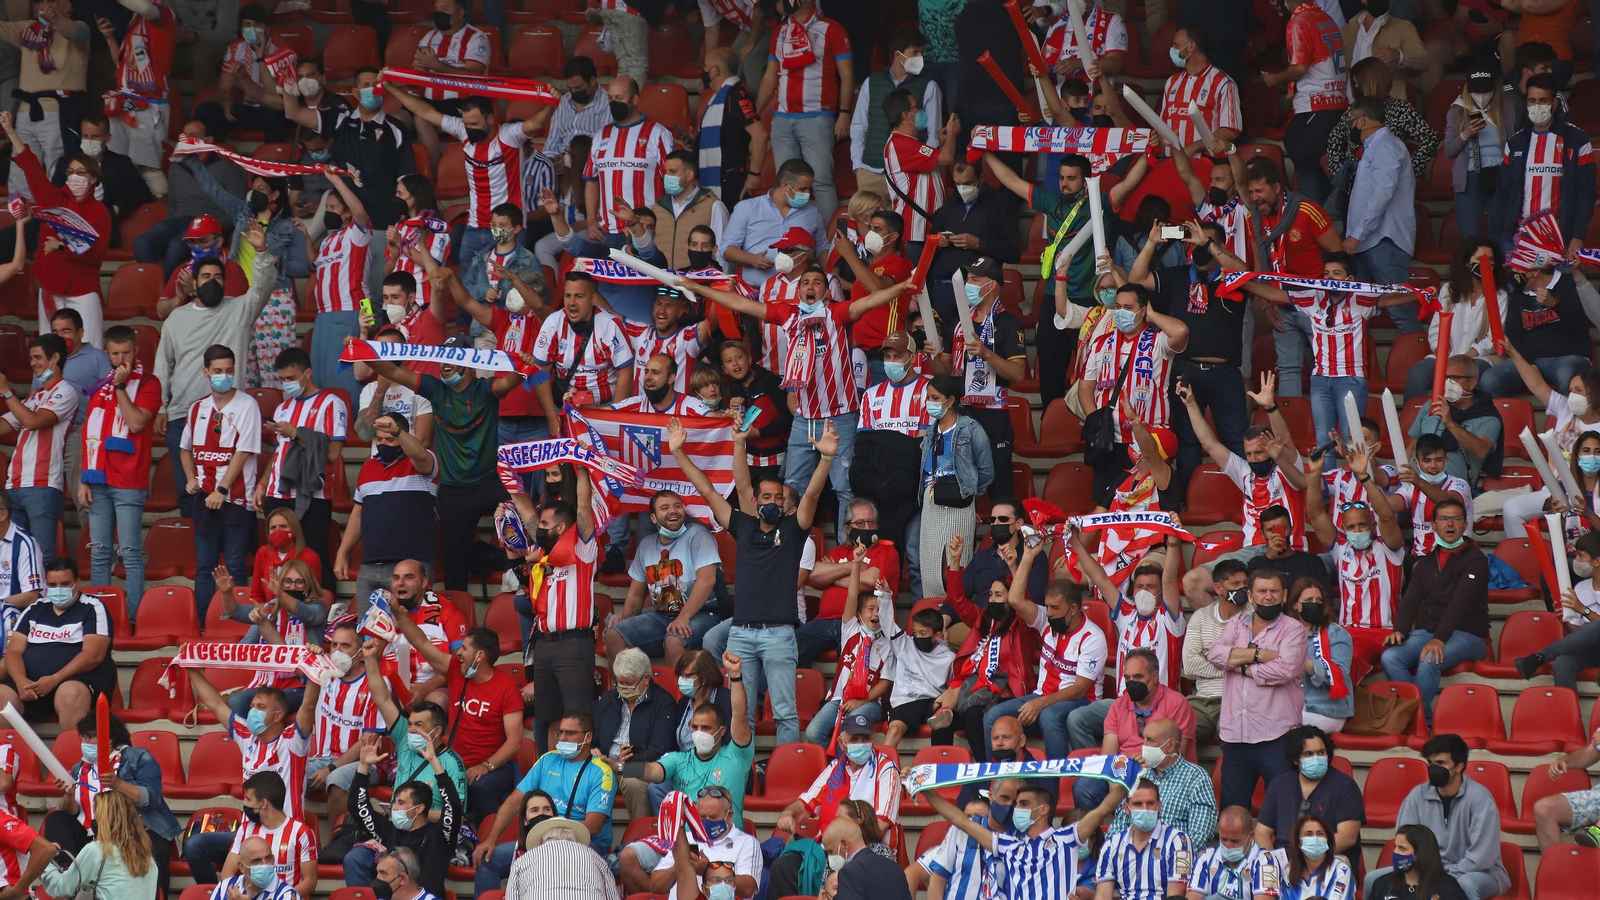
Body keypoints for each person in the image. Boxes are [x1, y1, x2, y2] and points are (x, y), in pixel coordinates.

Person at [680, 264, 916, 525]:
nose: (810, 286)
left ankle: (846, 551)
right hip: (804, 420)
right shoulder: (787, 313)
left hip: (840, 417)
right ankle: (791, 548)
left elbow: (870, 301)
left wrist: (901, 287)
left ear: (826, 291)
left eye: (817, 282)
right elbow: (741, 303)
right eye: (805, 283)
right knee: (791, 489)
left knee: (844, 488)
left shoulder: (836, 313)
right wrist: (696, 287)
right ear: (799, 290)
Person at [668, 412, 833, 745]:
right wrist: (679, 453)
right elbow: (710, 491)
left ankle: (786, 773)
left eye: (779, 498)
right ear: (756, 503)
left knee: (785, 712)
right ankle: (744, 775)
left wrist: (826, 457)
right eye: (767, 498)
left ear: (787, 504)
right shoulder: (743, 526)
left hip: (779, 634)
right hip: (740, 635)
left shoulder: (794, 529)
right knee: (740, 713)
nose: (773, 502)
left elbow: (812, 496)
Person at [359, 335, 527, 591]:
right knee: (454, 563)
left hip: (489, 482)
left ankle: (515, 575)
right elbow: (392, 370)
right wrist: (361, 351)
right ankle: (457, 616)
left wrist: (522, 365)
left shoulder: (484, 390)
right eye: (443, 358)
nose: (445, 364)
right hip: (452, 488)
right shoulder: (435, 389)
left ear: (468, 363)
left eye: (453, 357)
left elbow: (509, 382)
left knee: (520, 506)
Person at [280, 66, 418, 296]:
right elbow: (293, 113)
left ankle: (376, 331)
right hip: (346, 226)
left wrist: (404, 215)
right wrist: (286, 84)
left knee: (375, 292)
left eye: (376, 84)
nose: (372, 89)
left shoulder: (396, 128)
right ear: (354, 92)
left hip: (381, 223)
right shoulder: (339, 120)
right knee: (350, 291)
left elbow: (407, 179)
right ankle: (355, 331)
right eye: (366, 85)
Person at [982, 544, 1107, 761]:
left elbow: (1079, 689)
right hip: (1042, 697)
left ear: (1073, 609)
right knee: (993, 716)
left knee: (1049, 715)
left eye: (1055, 608)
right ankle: (994, 777)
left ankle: (1055, 783)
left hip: (1081, 703)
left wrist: (1041, 703)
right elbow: (1015, 600)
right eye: (1047, 607)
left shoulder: (1093, 637)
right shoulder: (1046, 620)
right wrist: (1028, 555)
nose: (1048, 613)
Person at [471, 712, 615, 892]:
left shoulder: (602, 772)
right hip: (539, 839)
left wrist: (554, 837)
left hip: (584, 843)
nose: (562, 738)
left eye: (570, 733)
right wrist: (491, 840)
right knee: (487, 860)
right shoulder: (547, 759)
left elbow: (593, 826)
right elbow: (514, 801)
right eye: (559, 732)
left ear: (588, 737)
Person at [43, 711, 180, 894]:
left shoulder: (137, 757)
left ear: (110, 737)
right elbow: (71, 811)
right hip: (95, 831)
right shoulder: (80, 768)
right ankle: (71, 873)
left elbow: (152, 798)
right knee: (56, 818)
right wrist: (69, 794)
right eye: (83, 737)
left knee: (153, 852)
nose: (85, 742)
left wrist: (118, 784)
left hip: (136, 830)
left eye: (90, 736)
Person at [3, 113, 108, 350]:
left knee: (91, 349)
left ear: (92, 178)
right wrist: (10, 131)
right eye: (70, 172)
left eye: (80, 173)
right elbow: (31, 167)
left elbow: (97, 253)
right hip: (51, 286)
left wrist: (61, 246)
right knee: (51, 350)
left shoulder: (99, 212)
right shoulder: (54, 199)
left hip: (82, 290)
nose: (74, 177)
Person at [1206, 568, 1309, 810]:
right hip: (1235, 737)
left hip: (1277, 737)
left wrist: (1241, 667)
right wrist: (1258, 654)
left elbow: (1286, 669)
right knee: (1232, 812)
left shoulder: (1293, 629)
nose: (1268, 596)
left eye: (1274, 591)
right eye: (1261, 591)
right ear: (1250, 596)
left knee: (1284, 811)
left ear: (1284, 595)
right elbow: (1214, 654)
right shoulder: (1236, 623)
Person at [1381, 497, 1491, 723]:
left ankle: (1414, 722)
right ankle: (1423, 717)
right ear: (1433, 525)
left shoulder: (1476, 559)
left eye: (1456, 519)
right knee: (1390, 657)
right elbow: (1410, 600)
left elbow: (1460, 604)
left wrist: (1439, 639)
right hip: (1431, 633)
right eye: (1443, 519)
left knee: (1429, 658)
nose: (1450, 524)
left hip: (1469, 636)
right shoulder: (1427, 562)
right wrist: (1400, 630)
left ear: (1464, 523)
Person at [767, 714, 900, 900]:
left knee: (842, 875)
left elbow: (881, 824)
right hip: (829, 849)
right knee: (783, 867)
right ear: (841, 742)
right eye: (854, 739)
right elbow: (805, 804)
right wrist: (789, 814)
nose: (860, 743)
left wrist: (847, 843)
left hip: (867, 849)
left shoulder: (887, 768)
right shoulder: (834, 768)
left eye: (865, 738)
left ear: (873, 739)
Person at [1363, 734, 1510, 900]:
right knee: (1372, 879)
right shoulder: (1418, 795)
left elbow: (1482, 857)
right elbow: (1406, 839)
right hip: (1425, 869)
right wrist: (1428, 872)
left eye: (1441, 763)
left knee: (1464, 884)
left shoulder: (1480, 799)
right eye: (1431, 763)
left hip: (1481, 873)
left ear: (1459, 766)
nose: (1434, 769)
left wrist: (1442, 876)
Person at [1178, 374, 1310, 554]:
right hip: (1251, 553)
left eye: (1259, 452)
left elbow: (1285, 441)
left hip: (1289, 550)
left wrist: (1270, 408)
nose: (1254, 459)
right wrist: (1191, 404)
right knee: (1195, 579)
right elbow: (1209, 443)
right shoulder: (1244, 470)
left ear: (1271, 449)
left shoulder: (1287, 468)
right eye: (1249, 454)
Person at [1244, 158, 1344, 397]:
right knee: (1288, 369)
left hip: (1316, 305)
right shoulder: (1253, 219)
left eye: (1260, 191)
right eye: (1251, 192)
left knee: (1328, 367)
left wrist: (1332, 304)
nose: (1255, 198)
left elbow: (1338, 257)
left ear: (1277, 187)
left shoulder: (1307, 210)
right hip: (1280, 308)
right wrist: (1266, 305)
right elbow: (1260, 266)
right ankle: (1291, 427)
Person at [76, 325, 158, 616]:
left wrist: (122, 386)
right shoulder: (102, 385)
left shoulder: (149, 383)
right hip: (98, 480)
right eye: (115, 353)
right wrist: (85, 477)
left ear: (136, 351)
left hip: (129, 481)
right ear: (107, 353)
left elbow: (136, 422)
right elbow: (90, 435)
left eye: (127, 352)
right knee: (99, 553)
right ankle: (101, 618)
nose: (121, 358)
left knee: (130, 554)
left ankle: (133, 619)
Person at [1304, 445, 1404, 677]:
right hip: (1344, 631)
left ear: (1372, 525)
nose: (1357, 530)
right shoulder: (1341, 547)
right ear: (1344, 528)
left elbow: (1387, 515)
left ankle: (1336, 709)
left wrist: (1364, 477)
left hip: (1381, 632)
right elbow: (1316, 514)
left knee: (1344, 658)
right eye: (1351, 526)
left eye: (1362, 525)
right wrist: (1315, 473)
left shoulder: (1388, 548)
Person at [178, 344, 261, 620]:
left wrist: (222, 489)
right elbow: (185, 449)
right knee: (205, 566)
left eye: (228, 371)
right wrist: (191, 479)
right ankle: (205, 624)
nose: (223, 376)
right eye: (217, 371)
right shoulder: (197, 408)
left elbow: (244, 451)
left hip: (235, 497)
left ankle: (239, 623)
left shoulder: (248, 404)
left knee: (236, 565)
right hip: (204, 498)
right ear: (206, 372)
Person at [253, 347, 347, 588]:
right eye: (283, 379)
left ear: (307, 373)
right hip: (277, 493)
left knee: (313, 558)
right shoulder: (283, 408)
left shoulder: (331, 403)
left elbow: (334, 453)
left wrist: (295, 433)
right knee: (279, 559)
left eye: (291, 378)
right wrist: (263, 484)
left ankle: (323, 614)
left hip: (312, 493)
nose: (287, 384)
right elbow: (279, 453)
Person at [1068, 647, 1195, 811]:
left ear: (1155, 676)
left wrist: (1142, 774)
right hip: (1123, 774)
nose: (1132, 683)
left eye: (1138, 677)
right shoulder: (1118, 705)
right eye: (1127, 678)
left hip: (1162, 775)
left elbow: (1178, 758)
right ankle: (1096, 836)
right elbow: (1109, 758)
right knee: (1084, 786)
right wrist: (1119, 792)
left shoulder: (1177, 704)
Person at [756, 0, 851, 219]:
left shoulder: (832, 28)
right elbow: (770, 77)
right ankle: (792, 238)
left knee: (822, 182)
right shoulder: (780, 31)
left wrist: (844, 113)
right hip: (782, 118)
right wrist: (754, 113)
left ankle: (829, 244)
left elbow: (846, 75)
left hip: (817, 116)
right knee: (787, 184)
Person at [1488, 73, 1594, 256]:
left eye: (1543, 100)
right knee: (1514, 286)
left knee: (1559, 286)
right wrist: (1497, 239)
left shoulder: (1577, 140)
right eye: (1532, 100)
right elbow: (1502, 195)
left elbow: (1586, 192)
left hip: (1561, 240)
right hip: (1518, 240)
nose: (1537, 106)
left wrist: (1578, 235)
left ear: (1554, 103)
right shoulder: (1515, 143)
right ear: (1526, 103)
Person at [0, 556, 113, 726]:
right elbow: (14, 651)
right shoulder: (35, 608)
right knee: (1, 695)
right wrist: (20, 681)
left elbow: (93, 655)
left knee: (70, 694)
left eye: (65, 584)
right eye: (52, 585)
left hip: (77, 680)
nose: (58, 589)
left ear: (78, 583)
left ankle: (72, 751)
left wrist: (55, 679)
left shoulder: (93, 608)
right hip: (31, 684)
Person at [804, 545, 897, 744]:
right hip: (838, 699)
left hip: (870, 702)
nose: (875, 614)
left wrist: (861, 701)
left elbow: (885, 684)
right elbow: (852, 596)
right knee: (812, 733)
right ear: (858, 615)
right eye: (870, 609)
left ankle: (850, 768)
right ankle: (838, 767)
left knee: (849, 729)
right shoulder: (850, 630)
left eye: (879, 610)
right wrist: (856, 565)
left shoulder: (887, 642)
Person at [349, 732, 459, 898]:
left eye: (401, 803)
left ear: (419, 809)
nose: (394, 808)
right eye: (394, 802)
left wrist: (434, 762)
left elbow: (454, 807)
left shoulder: (440, 835)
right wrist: (363, 766)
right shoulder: (389, 830)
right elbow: (357, 806)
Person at [0, 0, 89, 201]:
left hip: (59, 109)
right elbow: (3, 28)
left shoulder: (80, 28)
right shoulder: (28, 30)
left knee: (57, 167)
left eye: (55, 2)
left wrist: (56, 19)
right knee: (20, 167)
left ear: (69, 6)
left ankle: (54, 219)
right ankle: (20, 221)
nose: (47, 5)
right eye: (44, 2)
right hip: (26, 110)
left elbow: (78, 34)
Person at [1342, 100, 1420, 329]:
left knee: (1400, 311)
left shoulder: (1386, 145)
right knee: (1359, 313)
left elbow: (1381, 195)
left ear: (1361, 120)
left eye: (1351, 121)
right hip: (1367, 242)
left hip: (1385, 241)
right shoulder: (1374, 147)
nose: (1350, 126)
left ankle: (1420, 361)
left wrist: (1357, 234)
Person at [915, 374, 995, 595]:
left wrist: (969, 494)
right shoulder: (931, 430)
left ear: (950, 400)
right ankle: (934, 616)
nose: (929, 402)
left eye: (934, 397)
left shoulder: (971, 428)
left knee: (954, 565)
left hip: (958, 506)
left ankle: (956, 614)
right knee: (931, 567)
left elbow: (986, 470)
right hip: (932, 503)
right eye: (928, 397)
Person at [134, 120, 247, 275]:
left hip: (208, 222)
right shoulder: (176, 168)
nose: (187, 140)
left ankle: (167, 291)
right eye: (185, 136)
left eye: (193, 136)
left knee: (177, 245)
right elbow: (172, 205)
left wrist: (217, 227)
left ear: (208, 141)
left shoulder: (226, 168)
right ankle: (155, 285)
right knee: (141, 243)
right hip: (179, 221)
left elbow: (238, 209)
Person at [1263, 0, 1348, 204]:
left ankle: (1317, 218)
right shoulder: (1326, 18)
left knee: (1299, 146)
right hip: (1337, 105)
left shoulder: (1299, 21)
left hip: (1315, 105)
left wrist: (1274, 79)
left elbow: (1300, 68)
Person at [1, 334, 76, 560]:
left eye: (38, 357)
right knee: (14, 557)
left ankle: (44, 597)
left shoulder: (66, 391)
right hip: (15, 484)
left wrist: (6, 391)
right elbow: (4, 425)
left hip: (43, 484)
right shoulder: (34, 398)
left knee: (42, 556)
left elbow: (33, 422)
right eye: (31, 358)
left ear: (55, 358)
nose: (33, 363)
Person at [849, 25, 940, 201]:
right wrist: (858, 165)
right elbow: (859, 127)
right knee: (870, 227)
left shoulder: (929, 86)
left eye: (922, 52)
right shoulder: (871, 83)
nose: (920, 58)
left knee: (905, 226)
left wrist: (922, 167)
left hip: (909, 174)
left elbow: (933, 136)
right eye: (915, 52)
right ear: (898, 55)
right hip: (871, 172)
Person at [925, 157, 1020, 324]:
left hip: (976, 290)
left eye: (968, 183)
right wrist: (938, 242)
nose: (962, 188)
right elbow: (930, 242)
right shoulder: (950, 205)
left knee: (974, 345)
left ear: (981, 178)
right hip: (943, 288)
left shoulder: (1000, 205)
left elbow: (1013, 252)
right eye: (957, 183)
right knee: (943, 345)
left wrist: (977, 243)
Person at [1481, 258, 1594, 399]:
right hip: (1529, 360)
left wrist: (1555, 304)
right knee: (1489, 380)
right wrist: (1528, 363)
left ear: (1534, 271)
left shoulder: (1569, 284)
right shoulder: (1518, 294)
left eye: (1517, 269)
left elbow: (1582, 326)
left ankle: (1568, 420)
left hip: (1567, 357)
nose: (1513, 273)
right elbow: (1513, 335)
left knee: (1567, 375)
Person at [1404, 239, 1502, 400]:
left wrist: (1463, 359)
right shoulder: (1449, 290)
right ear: (1466, 263)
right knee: (1418, 373)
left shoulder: (1500, 295)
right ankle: (1413, 421)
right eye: (1479, 259)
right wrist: (1443, 356)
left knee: (1463, 376)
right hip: (1445, 356)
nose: (1485, 263)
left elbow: (1494, 338)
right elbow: (1436, 329)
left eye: (1490, 260)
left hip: (1479, 358)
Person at [583, 76, 674, 244]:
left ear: (635, 99)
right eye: (610, 98)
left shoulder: (658, 134)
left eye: (619, 98)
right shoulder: (600, 136)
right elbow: (591, 180)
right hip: (607, 232)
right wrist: (590, 219)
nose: (613, 102)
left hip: (645, 230)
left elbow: (672, 180)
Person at [1105, 717, 1218, 847]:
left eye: (1150, 740)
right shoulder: (1139, 776)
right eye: (1144, 739)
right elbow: (1119, 825)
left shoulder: (1196, 778)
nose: (1144, 746)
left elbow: (1198, 837)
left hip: (1174, 860)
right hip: (1131, 858)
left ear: (1170, 745)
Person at [593, 648, 677, 818]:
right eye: (619, 682)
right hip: (604, 765)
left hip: (641, 768)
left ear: (646, 678)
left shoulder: (663, 703)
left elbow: (659, 749)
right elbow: (594, 737)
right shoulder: (608, 700)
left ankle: (640, 837)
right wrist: (594, 752)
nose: (622, 687)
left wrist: (621, 765)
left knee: (633, 783)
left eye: (628, 683)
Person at [1256, 725, 1364, 856]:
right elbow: (1262, 832)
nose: (1316, 758)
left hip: (1331, 861)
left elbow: (1347, 837)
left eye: (1321, 752)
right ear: (1296, 759)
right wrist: (1272, 862)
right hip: (1284, 864)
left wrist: (1305, 863)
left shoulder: (1345, 786)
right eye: (1308, 754)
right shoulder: (1279, 785)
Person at [720, 158, 827, 289]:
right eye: (803, 189)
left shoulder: (812, 212)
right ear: (785, 186)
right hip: (755, 292)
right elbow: (726, 249)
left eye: (809, 189)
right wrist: (751, 259)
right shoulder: (747, 208)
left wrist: (831, 277)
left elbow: (822, 249)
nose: (808, 194)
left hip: (799, 292)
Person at [651, 784, 762, 900]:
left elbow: (749, 888)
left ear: (729, 816)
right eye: (702, 816)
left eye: (713, 817)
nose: (707, 821)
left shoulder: (747, 842)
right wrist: (680, 866)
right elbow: (655, 886)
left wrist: (707, 870)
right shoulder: (686, 839)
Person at [40, 792, 157, 900]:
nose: (94, 820)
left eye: (96, 816)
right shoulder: (149, 859)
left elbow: (62, 888)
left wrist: (44, 859)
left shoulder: (97, 850)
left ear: (105, 820)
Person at [196, 5, 288, 142]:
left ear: (267, 29)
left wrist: (260, 56)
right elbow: (223, 89)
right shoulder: (235, 48)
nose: (252, 28)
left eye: (257, 24)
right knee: (206, 109)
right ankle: (216, 155)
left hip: (272, 109)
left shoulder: (281, 50)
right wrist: (225, 103)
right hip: (246, 109)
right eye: (247, 24)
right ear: (241, 28)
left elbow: (276, 96)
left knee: (276, 115)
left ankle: (272, 158)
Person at [1408, 356, 1502, 488]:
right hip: (1414, 484)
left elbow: (1480, 450)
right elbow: (1413, 446)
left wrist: (1450, 423)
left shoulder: (1488, 418)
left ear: (1472, 382)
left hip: (1452, 490)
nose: (1448, 383)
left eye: (1454, 378)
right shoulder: (1431, 406)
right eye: (1445, 378)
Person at [1094, 779, 1195, 900]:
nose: (1145, 809)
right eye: (1137, 804)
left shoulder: (1178, 841)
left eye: (1150, 803)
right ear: (1126, 808)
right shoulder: (1111, 845)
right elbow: (1102, 896)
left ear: (1159, 806)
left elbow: (1176, 897)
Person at [1182, 560, 1248, 743]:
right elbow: (1190, 664)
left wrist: (1211, 659)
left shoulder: (1254, 617)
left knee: (1231, 731)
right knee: (1173, 729)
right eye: (1236, 584)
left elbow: (1255, 663)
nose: (1242, 589)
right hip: (1204, 701)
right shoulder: (1200, 618)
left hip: (1240, 701)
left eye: (1245, 584)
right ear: (1218, 588)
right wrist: (1234, 666)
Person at [696, 47, 767, 203]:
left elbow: (760, 134)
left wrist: (754, 175)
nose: (704, 71)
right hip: (721, 178)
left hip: (730, 181)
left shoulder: (734, 94)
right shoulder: (719, 96)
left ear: (714, 71)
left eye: (706, 67)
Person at [1161, 25, 1242, 155]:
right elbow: (1163, 124)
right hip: (1169, 163)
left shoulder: (1222, 82)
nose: (1172, 50)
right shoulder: (1172, 82)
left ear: (1191, 47)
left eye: (1176, 45)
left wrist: (1193, 147)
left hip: (1204, 163)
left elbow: (1231, 129)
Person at [1443, 70, 1505, 236]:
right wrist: (1465, 134)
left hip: (1500, 174)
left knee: (1499, 236)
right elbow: (1448, 151)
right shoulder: (1457, 111)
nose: (1482, 95)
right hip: (1469, 177)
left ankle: (1497, 263)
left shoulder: (1505, 109)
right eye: (1477, 91)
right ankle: (1475, 264)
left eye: (1486, 91)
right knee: (1471, 239)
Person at [506, 816, 619, 900]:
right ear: (574, 840)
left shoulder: (522, 861)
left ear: (542, 840)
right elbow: (612, 897)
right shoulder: (595, 857)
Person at [1254, 814, 1353, 900]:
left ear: (1328, 839)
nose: (1315, 838)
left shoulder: (1340, 870)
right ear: (1298, 842)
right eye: (1308, 834)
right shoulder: (1287, 873)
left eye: (1320, 833)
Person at [1187, 806, 1270, 900]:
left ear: (1251, 836)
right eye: (1224, 839)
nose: (1228, 845)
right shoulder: (1205, 859)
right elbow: (1192, 897)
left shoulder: (1265, 862)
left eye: (1235, 841)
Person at [822, 817, 912, 900]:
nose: (830, 857)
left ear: (844, 844)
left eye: (831, 851)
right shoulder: (895, 868)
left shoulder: (850, 872)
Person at [1369, 826, 1470, 900]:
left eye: (1402, 848)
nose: (1395, 852)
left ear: (1421, 853)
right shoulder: (1382, 884)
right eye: (1395, 847)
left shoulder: (1447, 886)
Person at [1342, 2, 1426, 89]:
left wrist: (1399, 55)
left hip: (1387, 100)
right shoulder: (1346, 31)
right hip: (1350, 100)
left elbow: (1424, 60)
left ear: (1391, 1)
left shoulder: (1404, 28)